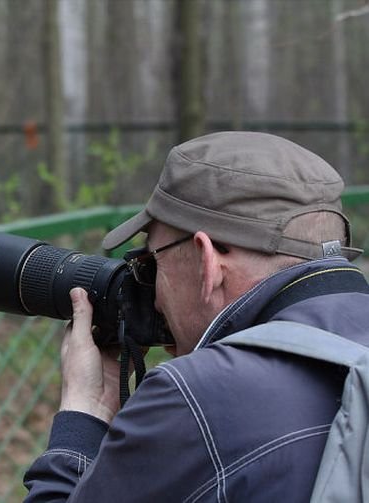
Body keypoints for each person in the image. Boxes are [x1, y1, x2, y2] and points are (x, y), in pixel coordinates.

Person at [23, 131, 369, 502]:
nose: (152, 295)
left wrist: (82, 416)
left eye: (151, 263)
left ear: (208, 261)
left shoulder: (197, 397)